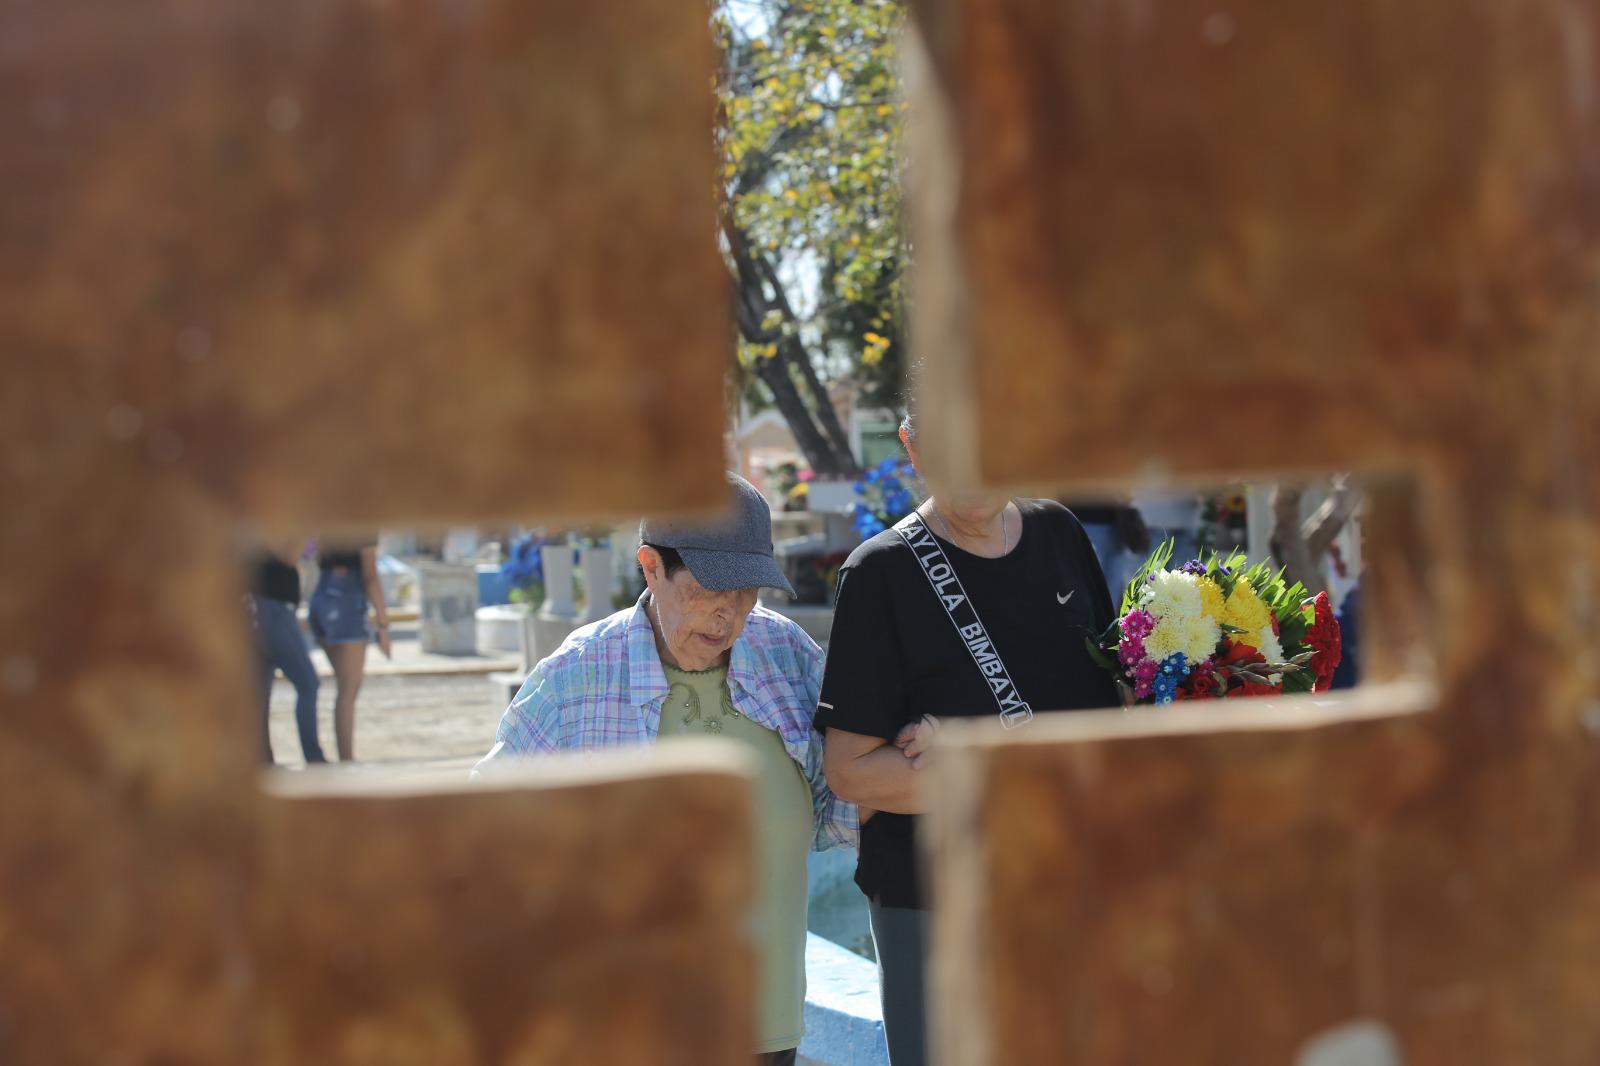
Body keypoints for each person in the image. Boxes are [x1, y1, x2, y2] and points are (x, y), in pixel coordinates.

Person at [475, 473, 857, 1066]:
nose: (731, 614)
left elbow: (844, 805)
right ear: (651, 567)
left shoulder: (786, 656)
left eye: (748, 590)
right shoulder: (578, 675)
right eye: (711, 589)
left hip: (765, 1029)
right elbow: (486, 833)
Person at [815, 410, 1121, 1066]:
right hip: (935, 910)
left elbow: (1112, 706)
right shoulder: (880, 574)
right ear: (913, 447)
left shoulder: (1060, 533)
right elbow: (851, 772)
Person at [307, 538, 390, 762]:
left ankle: (343, 758)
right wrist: (383, 624)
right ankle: (347, 761)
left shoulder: (327, 513)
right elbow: (370, 575)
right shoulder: (364, 519)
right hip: (346, 600)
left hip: (321, 594)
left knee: (343, 687)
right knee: (348, 689)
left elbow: (317, 555)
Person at [249, 544, 325, 765]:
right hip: (275, 611)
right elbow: (290, 556)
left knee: (260, 693)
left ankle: (262, 759)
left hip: (263, 609)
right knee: (308, 684)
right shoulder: (273, 525)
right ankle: (313, 757)